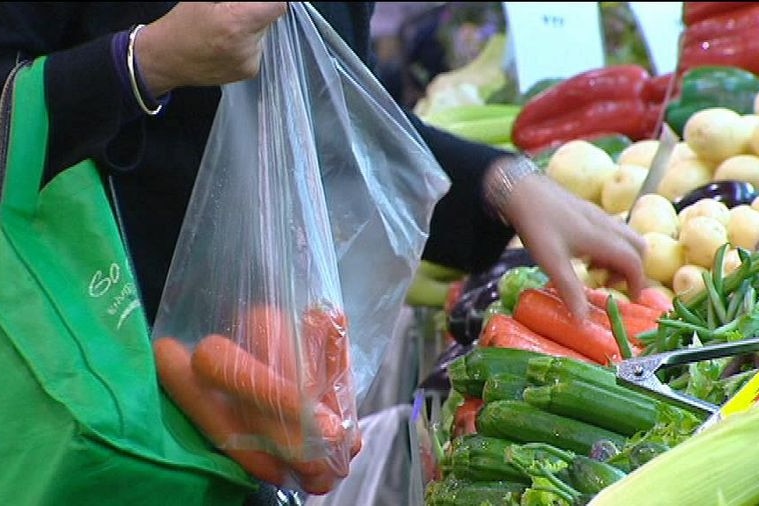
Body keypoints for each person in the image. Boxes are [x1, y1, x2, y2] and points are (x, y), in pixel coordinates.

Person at [0, 2, 647, 504]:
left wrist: (499, 184)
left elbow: (334, 119)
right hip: (68, 388)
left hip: (239, 419)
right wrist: (144, 62)